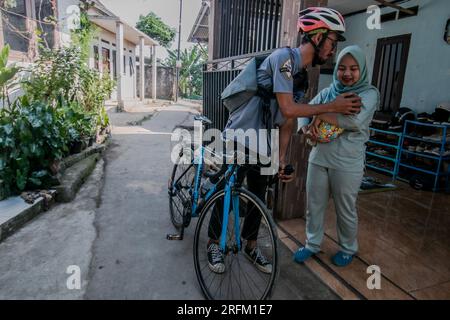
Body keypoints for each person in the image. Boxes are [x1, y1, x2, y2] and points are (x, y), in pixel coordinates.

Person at [206, 7, 363, 275]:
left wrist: (281, 158)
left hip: (264, 141)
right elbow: (290, 108)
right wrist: (332, 107)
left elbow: (287, 121)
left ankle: (251, 245)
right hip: (241, 135)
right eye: (332, 42)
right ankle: (213, 244)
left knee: (258, 194)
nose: (333, 50)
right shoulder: (283, 59)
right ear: (317, 35)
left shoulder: (300, 76)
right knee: (228, 188)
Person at [293, 45, 380, 267]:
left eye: (353, 68)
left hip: (348, 162)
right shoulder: (330, 92)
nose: (347, 73)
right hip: (319, 157)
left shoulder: (369, 93)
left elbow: (353, 121)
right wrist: (305, 127)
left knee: (346, 209)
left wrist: (320, 112)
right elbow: (305, 110)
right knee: (314, 205)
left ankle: (348, 248)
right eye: (342, 68)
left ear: (362, 70)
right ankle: (312, 244)